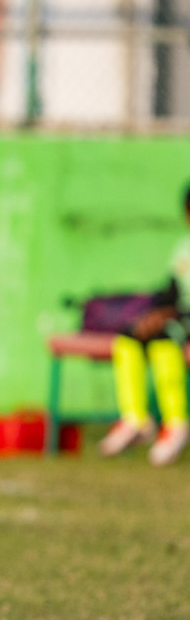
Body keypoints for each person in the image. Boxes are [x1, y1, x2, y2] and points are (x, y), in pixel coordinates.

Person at [99, 184, 190, 466]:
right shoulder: (184, 246)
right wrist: (155, 312)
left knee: (164, 340)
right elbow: (173, 290)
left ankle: (176, 423)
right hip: (180, 318)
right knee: (129, 338)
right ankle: (135, 418)